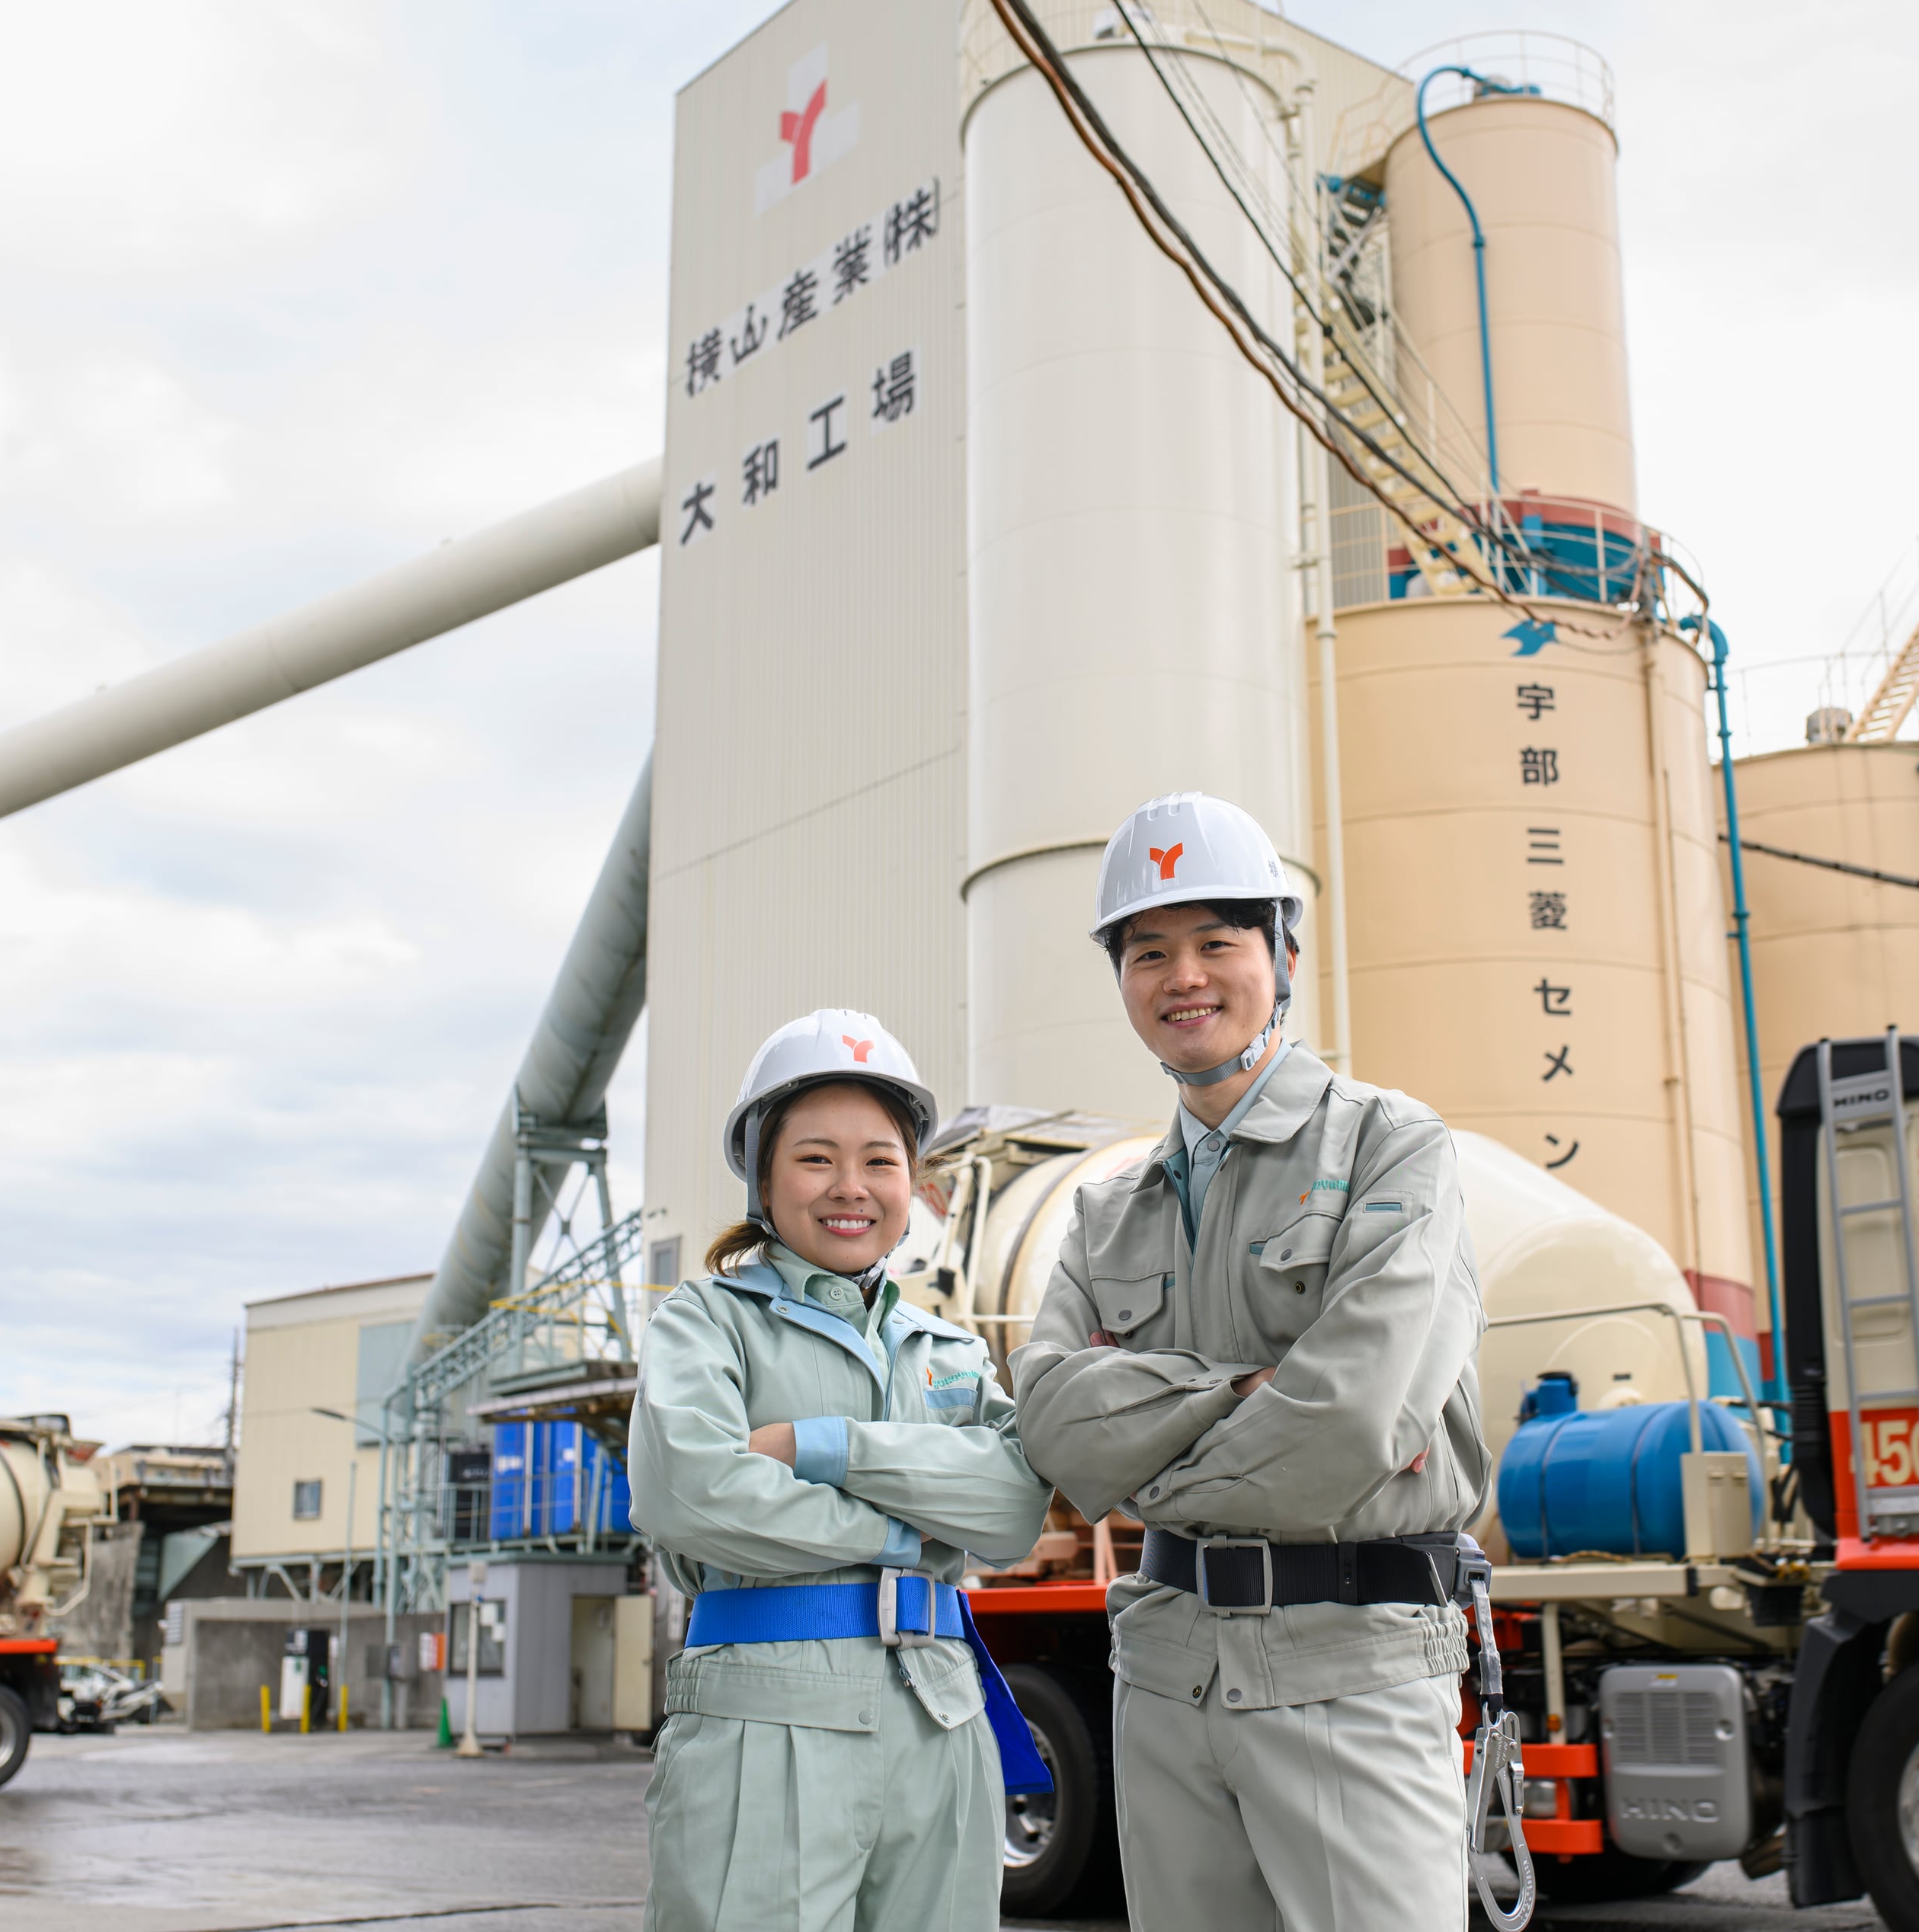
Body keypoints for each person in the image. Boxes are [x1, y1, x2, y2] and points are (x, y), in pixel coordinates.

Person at [1010, 792, 1492, 1932]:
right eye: (1148, 952)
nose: (1184, 976)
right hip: (1164, 1671)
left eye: (1217, 942)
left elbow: (1350, 1421)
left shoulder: (1393, 1147)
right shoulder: (1106, 1210)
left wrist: (1142, 1462)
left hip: (1349, 1664)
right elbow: (1052, 1427)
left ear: (1281, 955)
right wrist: (1236, 1392)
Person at [628, 1009, 1055, 1932]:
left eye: (880, 1160)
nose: (849, 1187)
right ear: (764, 1178)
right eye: (816, 1158)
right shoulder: (707, 1321)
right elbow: (693, 1494)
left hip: (941, 1720)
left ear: (912, 1179)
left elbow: (1015, 1506)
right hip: (767, 1716)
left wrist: (824, 1446)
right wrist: (907, 1531)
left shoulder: (948, 1346)